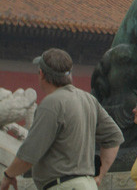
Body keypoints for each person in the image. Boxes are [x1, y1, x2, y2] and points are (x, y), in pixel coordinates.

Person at [0, 48, 124, 190]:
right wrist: (100, 176)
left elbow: (29, 154)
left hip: (63, 185)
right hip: (87, 184)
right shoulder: (88, 100)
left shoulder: (51, 103)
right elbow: (114, 137)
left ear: (41, 74)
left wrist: (8, 175)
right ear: (69, 74)